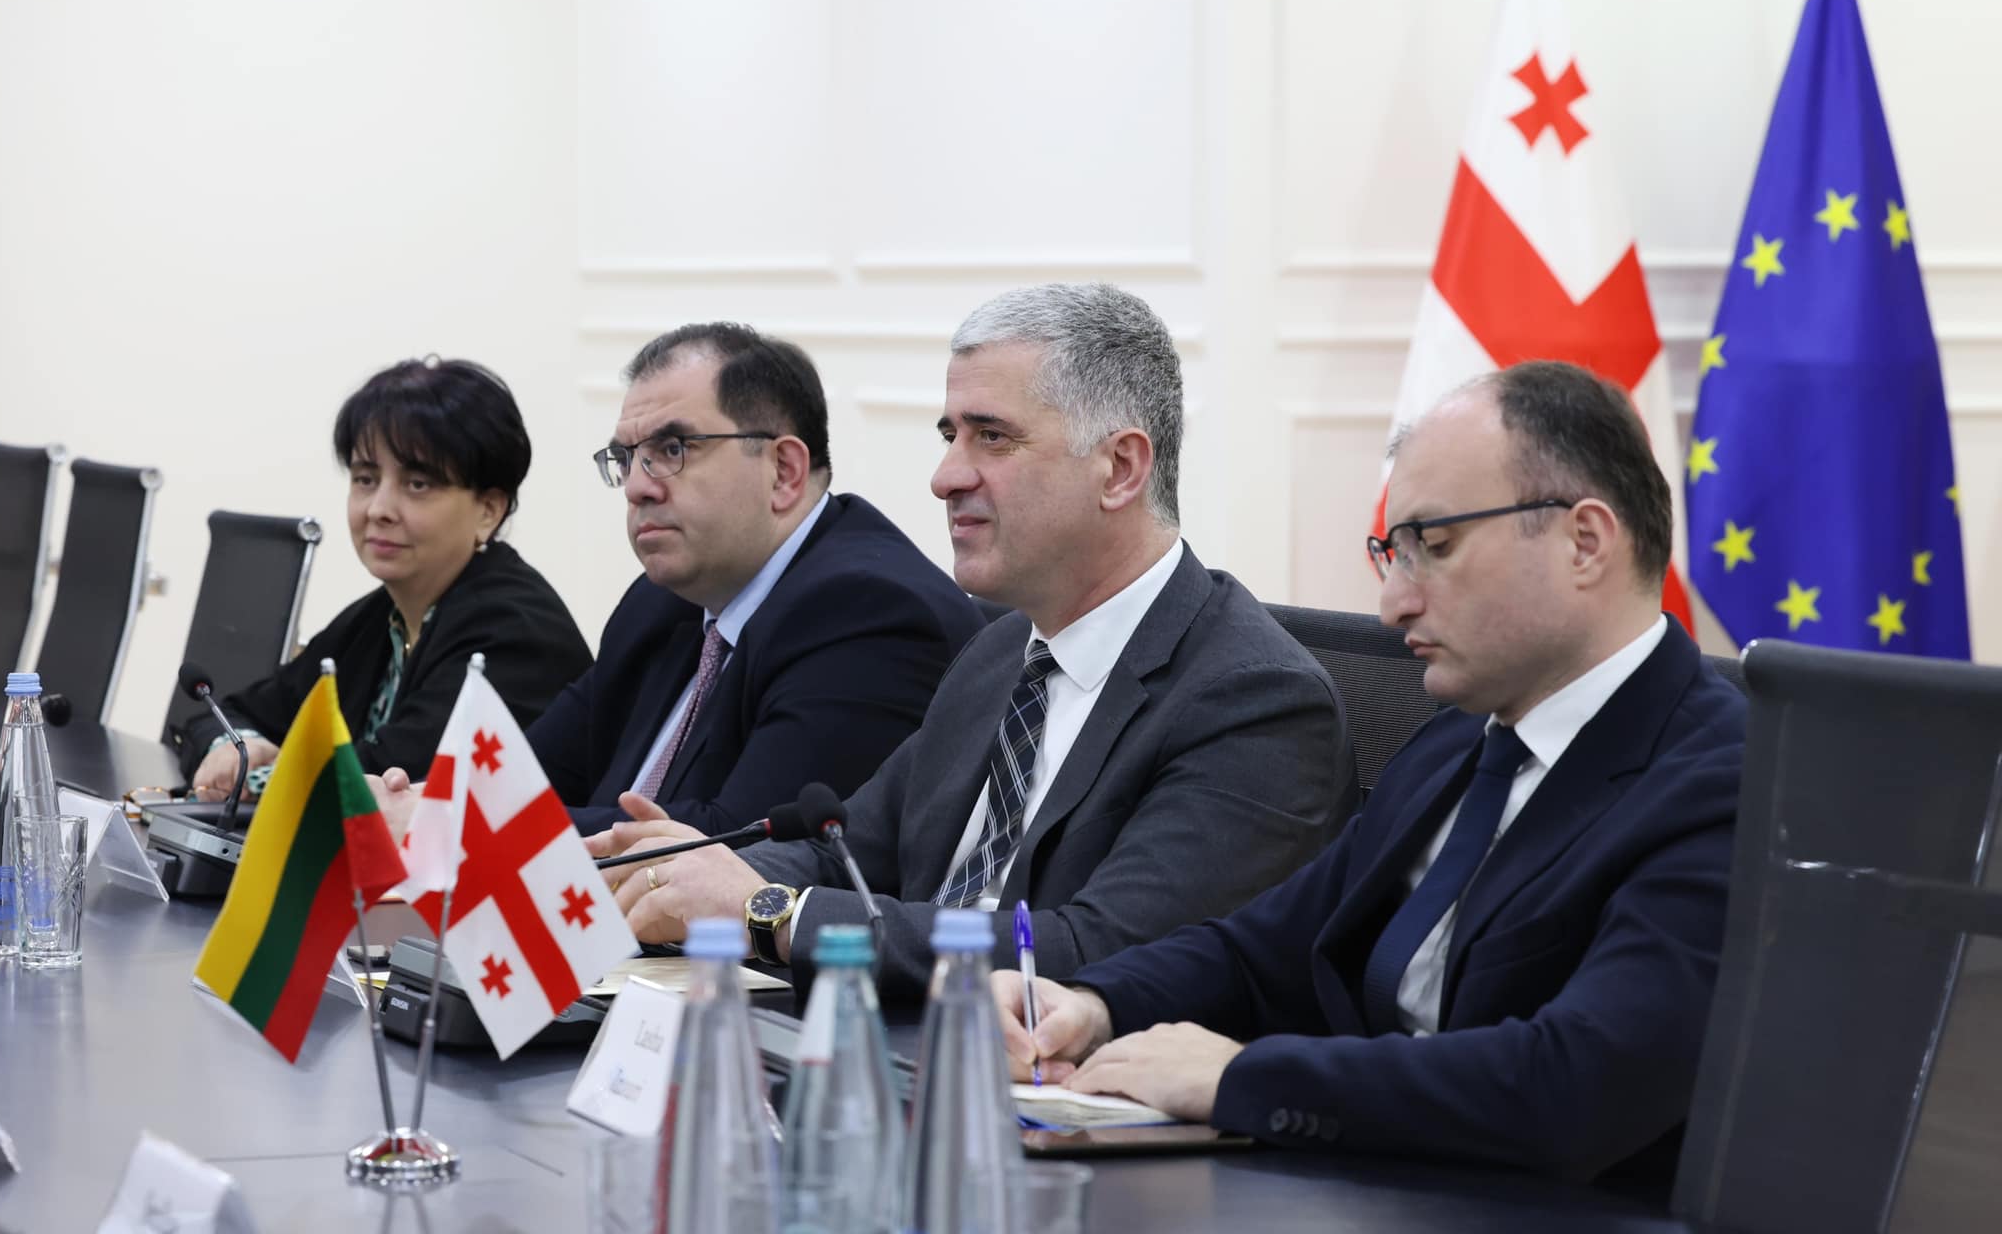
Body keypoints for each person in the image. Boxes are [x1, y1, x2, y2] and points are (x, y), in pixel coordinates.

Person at [994, 360, 1746, 1191]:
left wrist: (1242, 1079)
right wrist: (1090, 1005)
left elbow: (1575, 1084)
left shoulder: (1725, 782)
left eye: (1435, 547)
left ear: (1585, 542)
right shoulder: (1458, 742)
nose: (1393, 606)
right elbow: (1264, 949)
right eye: (1393, 552)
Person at [595, 284, 1353, 997]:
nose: (946, 477)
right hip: (899, 1046)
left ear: (1120, 468)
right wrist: (680, 873)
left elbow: (1093, 951)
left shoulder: (1255, 700)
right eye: (950, 435)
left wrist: (769, 912)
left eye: (993, 437)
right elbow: (842, 849)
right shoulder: (1001, 653)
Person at [516, 322, 985, 834]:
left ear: (784, 471)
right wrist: (461, 811)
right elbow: (517, 782)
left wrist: (496, 829)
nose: (636, 487)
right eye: (628, 458)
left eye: (672, 449)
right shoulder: (661, 602)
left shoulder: (870, 613)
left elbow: (736, 844)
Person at [186, 357, 592, 795]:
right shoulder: (381, 617)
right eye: (365, 479)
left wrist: (255, 775)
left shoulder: (517, 634)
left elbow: (387, 779)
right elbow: (228, 714)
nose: (378, 509)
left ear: (488, 511)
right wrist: (236, 748)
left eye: (417, 484)